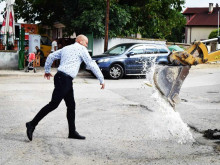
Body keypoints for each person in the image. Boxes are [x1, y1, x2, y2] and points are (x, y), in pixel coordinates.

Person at [26, 34, 105, 141]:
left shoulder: (66, 48)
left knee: (71, 105)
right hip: (64, 79)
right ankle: (31, 124)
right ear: (80, 41)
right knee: (53, 104)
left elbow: (50, 56)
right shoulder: (81, 49)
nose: (86, 45)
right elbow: (90, 63)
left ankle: (72, 132)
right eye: (86, 43)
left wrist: (47, 70)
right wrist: (101, 79)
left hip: (64, 79)